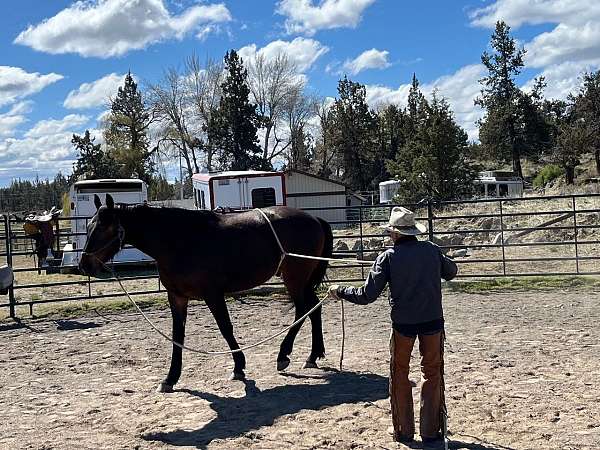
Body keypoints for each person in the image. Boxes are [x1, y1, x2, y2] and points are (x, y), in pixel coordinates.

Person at [329, 206, 457, 449]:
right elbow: (451, 272)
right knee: (432, 372)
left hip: (403, 325)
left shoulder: (387, 258)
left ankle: (403, 431)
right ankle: (431, 431)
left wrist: (341, 291)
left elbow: (367, 295)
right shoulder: (430, 249)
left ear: (395, 234)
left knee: (400, 372)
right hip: (432, 322)